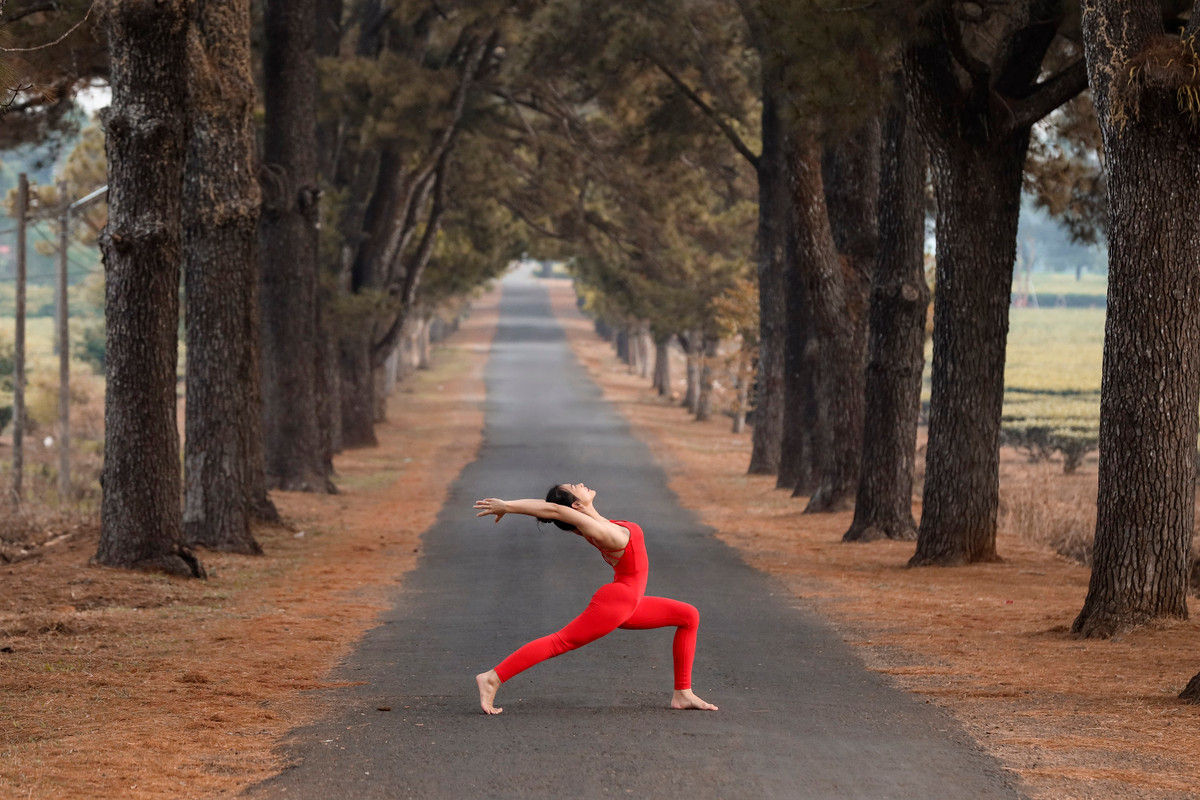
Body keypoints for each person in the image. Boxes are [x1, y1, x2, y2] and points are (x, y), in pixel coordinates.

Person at [472, 482, 718, 715]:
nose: (580, 484)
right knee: (560, 642)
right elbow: (554, 509)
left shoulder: (590, 522)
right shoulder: (596, 529)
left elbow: (554, 510)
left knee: (688, 616)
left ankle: (683, 694)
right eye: (574, 487)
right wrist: (507, 506)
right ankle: (493, 677)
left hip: (629, 602)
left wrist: (519, 506)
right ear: (576, 506)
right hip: (618, 601)